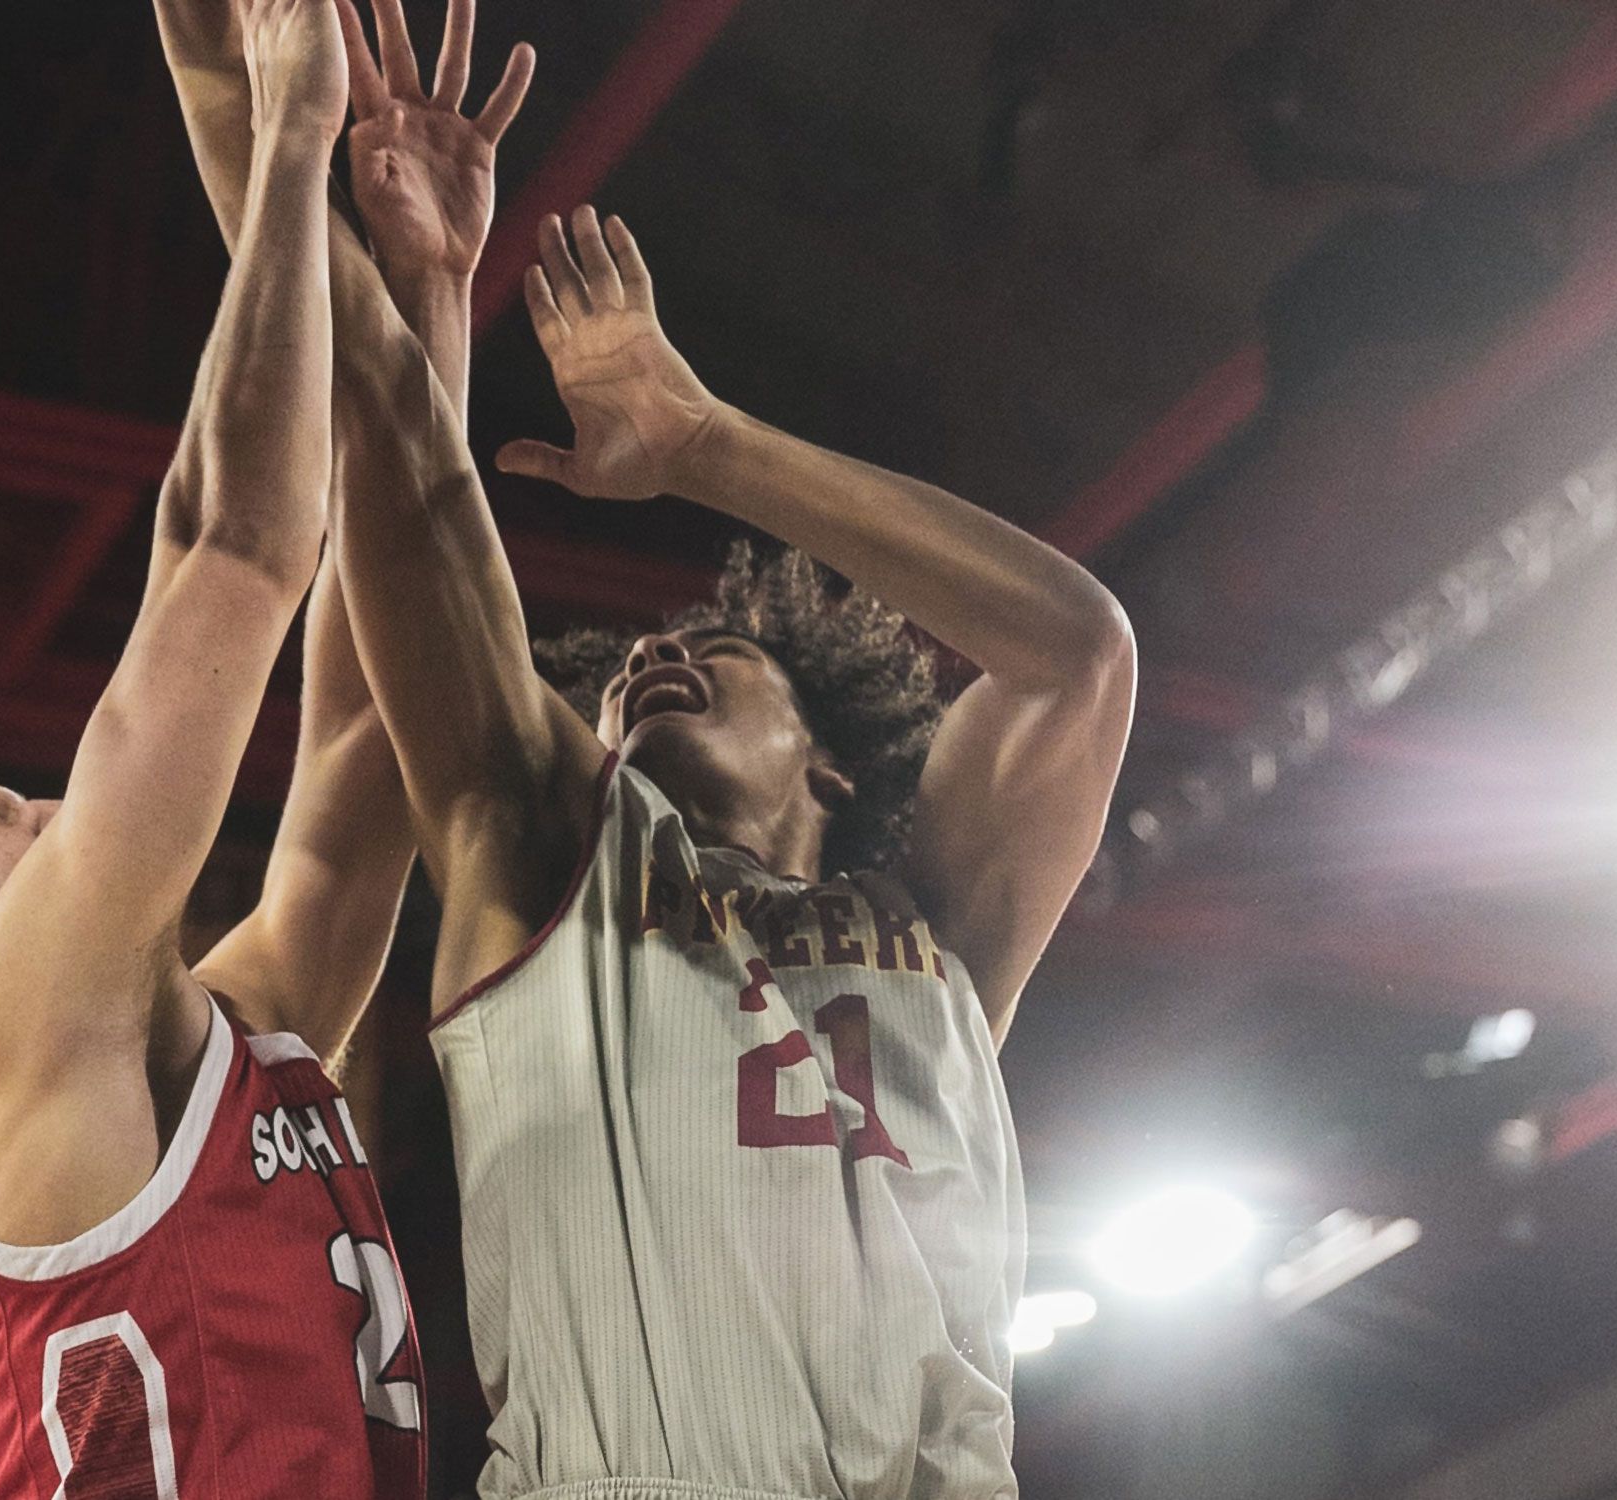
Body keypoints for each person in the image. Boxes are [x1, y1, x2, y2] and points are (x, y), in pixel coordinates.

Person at [325, 12, 1139, 1482]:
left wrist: (705, 443)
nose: (653, 656)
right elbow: (422, 544)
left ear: (833, 764)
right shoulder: (545, 878)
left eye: (715, 652)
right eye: (624, 679)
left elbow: (1077, 654)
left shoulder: (939, 928)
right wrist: (426, 289)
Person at [0, 2, 440, 1493]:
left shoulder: (215, 1047)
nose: (42, 803)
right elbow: (234, 553)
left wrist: (426, 305)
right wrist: (280, 140)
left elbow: (374, 742)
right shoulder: (12, 1023)